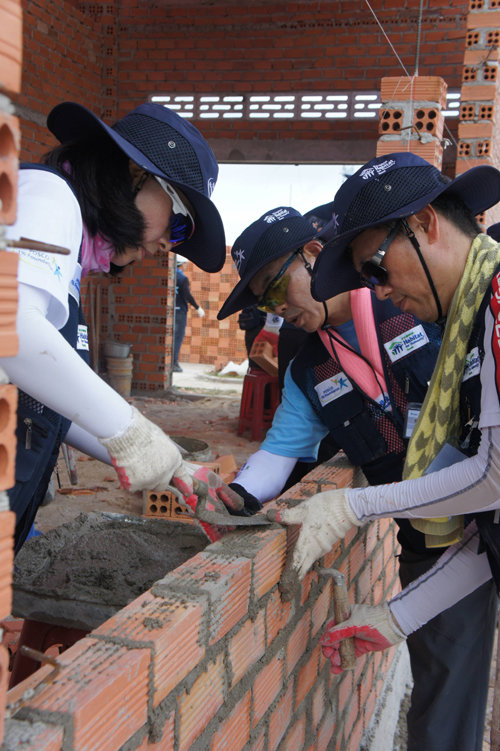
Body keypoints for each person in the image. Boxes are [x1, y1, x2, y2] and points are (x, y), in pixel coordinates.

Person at [217, 205, 496, 751]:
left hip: (481, 517)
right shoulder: (308, 365)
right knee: (441, 684)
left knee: (449, 702)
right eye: (263, 305)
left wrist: (352, 509)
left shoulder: (419, 301)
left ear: (314, 256)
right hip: (429, 542)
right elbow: (279, 449)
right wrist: (235, 493)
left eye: (276, 291)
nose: (276, 312)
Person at [3, 100, 234, 553]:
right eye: (180, 224)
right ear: (133, 172)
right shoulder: (49, 197)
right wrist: (128, 427)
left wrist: (168, 463)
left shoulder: (69, 262)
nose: (170, 245)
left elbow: (50, 399)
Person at [173, 255, 205, 372]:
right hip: (180, 312)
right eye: (185, 264)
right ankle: (174, 363)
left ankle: (171, 362)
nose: (186, 266)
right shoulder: (182, 278)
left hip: (171, 311)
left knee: (171, 338)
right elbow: (187, 295)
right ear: (181, 264)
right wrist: (198, 307)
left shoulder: (171, 276)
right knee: (177, 338)